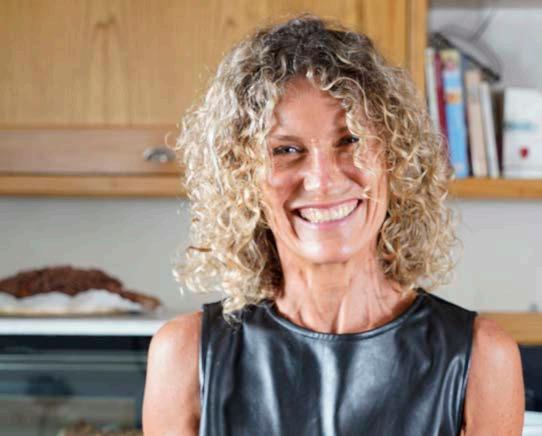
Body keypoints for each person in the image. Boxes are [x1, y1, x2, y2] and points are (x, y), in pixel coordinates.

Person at [142, 14, 525, 436]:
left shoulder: (482, 359)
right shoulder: (184, 357)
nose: (323, 180)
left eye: (350, 140)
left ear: (394, 160)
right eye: (286, 149)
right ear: (241, 177)